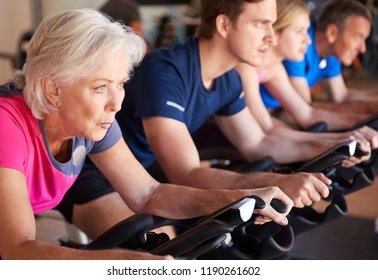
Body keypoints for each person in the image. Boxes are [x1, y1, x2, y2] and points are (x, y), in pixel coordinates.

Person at [0, 9, 294, 260]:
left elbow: (148, 194)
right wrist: (123, 261)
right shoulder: (1, 121)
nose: (116, 103)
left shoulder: (91, 121)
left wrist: (238, 200)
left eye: (120, 84)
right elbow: (18, 249)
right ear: (53, 88)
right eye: (100, 87)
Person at [112, 0, 334, 206]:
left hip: (146, 170)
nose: (271, 38)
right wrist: (275, 182)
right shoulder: (165, 72)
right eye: (261, 24)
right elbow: (185, 173)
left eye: (272, 25)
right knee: (163, 242)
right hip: (102, 174)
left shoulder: (228, 78)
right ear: (224, 25)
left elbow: (257, 143)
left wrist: (332, 146)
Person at [235, 0, 378, 144]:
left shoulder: (276, 68)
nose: (308, 40)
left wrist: (360, 122)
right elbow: (266, 127)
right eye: (299, 31)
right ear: (274, 34)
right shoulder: (248, 68)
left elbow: (307, 114)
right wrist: (331, 142)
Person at [282, 0, 378, 115]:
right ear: (332, 33)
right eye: (358, 38)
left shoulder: (331, 52)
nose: (363, 49)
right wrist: (369, 107)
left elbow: (340, 96)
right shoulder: (298, 44)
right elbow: (305, 109)